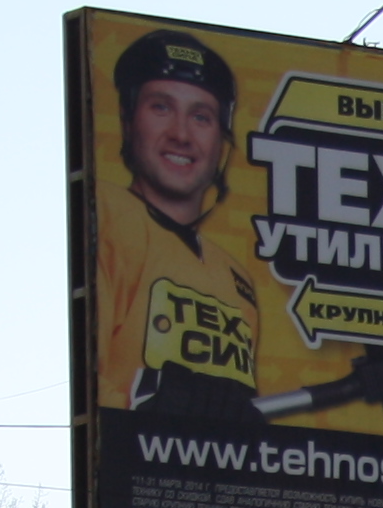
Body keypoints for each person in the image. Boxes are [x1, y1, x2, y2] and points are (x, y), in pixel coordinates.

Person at [97, 27, 265, 419]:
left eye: (201, 117)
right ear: (127, 120)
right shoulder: (106, 216)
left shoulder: (236, 277)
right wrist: (143, 400)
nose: (181, 134)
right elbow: (90, 378)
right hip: (131, 468)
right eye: (161, 107)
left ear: (222, 141)